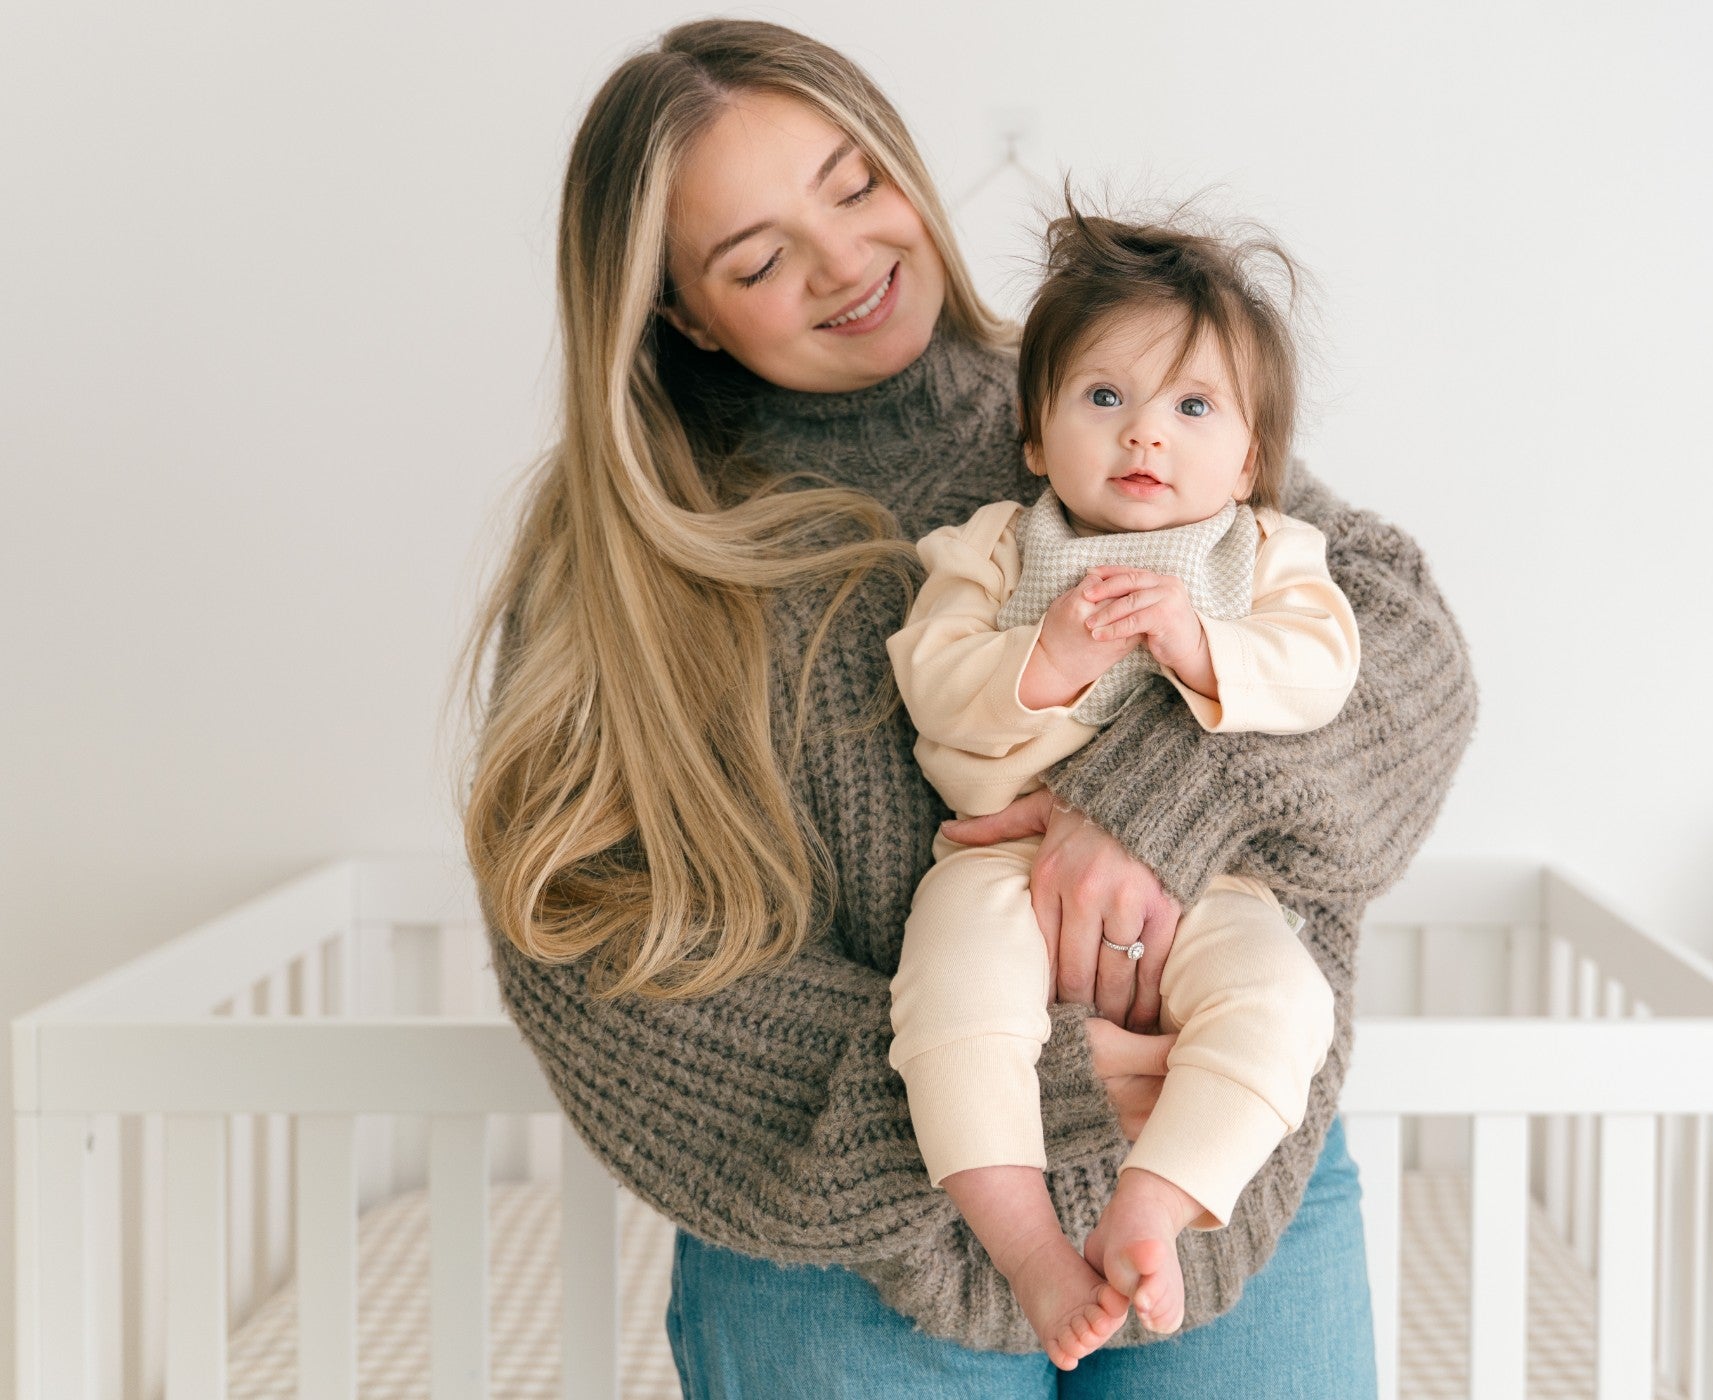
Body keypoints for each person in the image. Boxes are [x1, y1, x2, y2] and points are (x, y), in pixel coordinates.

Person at [455, 17, 1477, 1398]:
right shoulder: (623, 565)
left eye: (856, 185)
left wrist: (1154, 804)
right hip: (843, 1259)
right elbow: (584, 937)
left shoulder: (1108, 403)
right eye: (757, 260)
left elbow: (1396, 642)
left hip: (1231, 1176)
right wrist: (1001, 1092)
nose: (846, 262)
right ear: (678, 311)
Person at [886, 205, 1361, 1366]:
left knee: (1284, 1003)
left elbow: (1322, 666)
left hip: (1210, 883)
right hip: (997, 866)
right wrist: (1043, 655)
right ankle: (1027, 1244)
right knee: (950, 1007)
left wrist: (1200, 646)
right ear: (1034, 437)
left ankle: (1155, 1199)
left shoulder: (1263, 554)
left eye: (1192, 407)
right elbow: (933, 681)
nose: (1145, 431)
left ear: (1247, 458)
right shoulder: (993, 548)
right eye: (1103, 396)